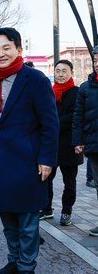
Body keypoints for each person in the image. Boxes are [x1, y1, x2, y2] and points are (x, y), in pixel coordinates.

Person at [0, 27, 59, 274]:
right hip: (0, 162)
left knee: (27, 221)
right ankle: (14, 261)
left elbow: (50, 123)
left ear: (18, 49)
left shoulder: (34, 79)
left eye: (6, 48)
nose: (1, 53)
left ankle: (27, 266)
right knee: (8, 219)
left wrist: (47, 158)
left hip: (27, 160)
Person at [40, 60, 83, 226]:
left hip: (71, 145)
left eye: (64, 71)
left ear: (71, 72)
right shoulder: (49, 92)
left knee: (69, 182)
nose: (60, 74)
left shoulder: (77, 92)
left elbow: (76, 116)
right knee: (46, 179)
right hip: (52, 145)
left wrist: (53, 122)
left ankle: (66, 212)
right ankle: (47, 208)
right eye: (57, 71)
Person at [72, 45, 98, 237]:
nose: (97, 64)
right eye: (95, 60)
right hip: (94, 144)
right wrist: (78, 140)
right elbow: (78, 116)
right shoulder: (85, 87)